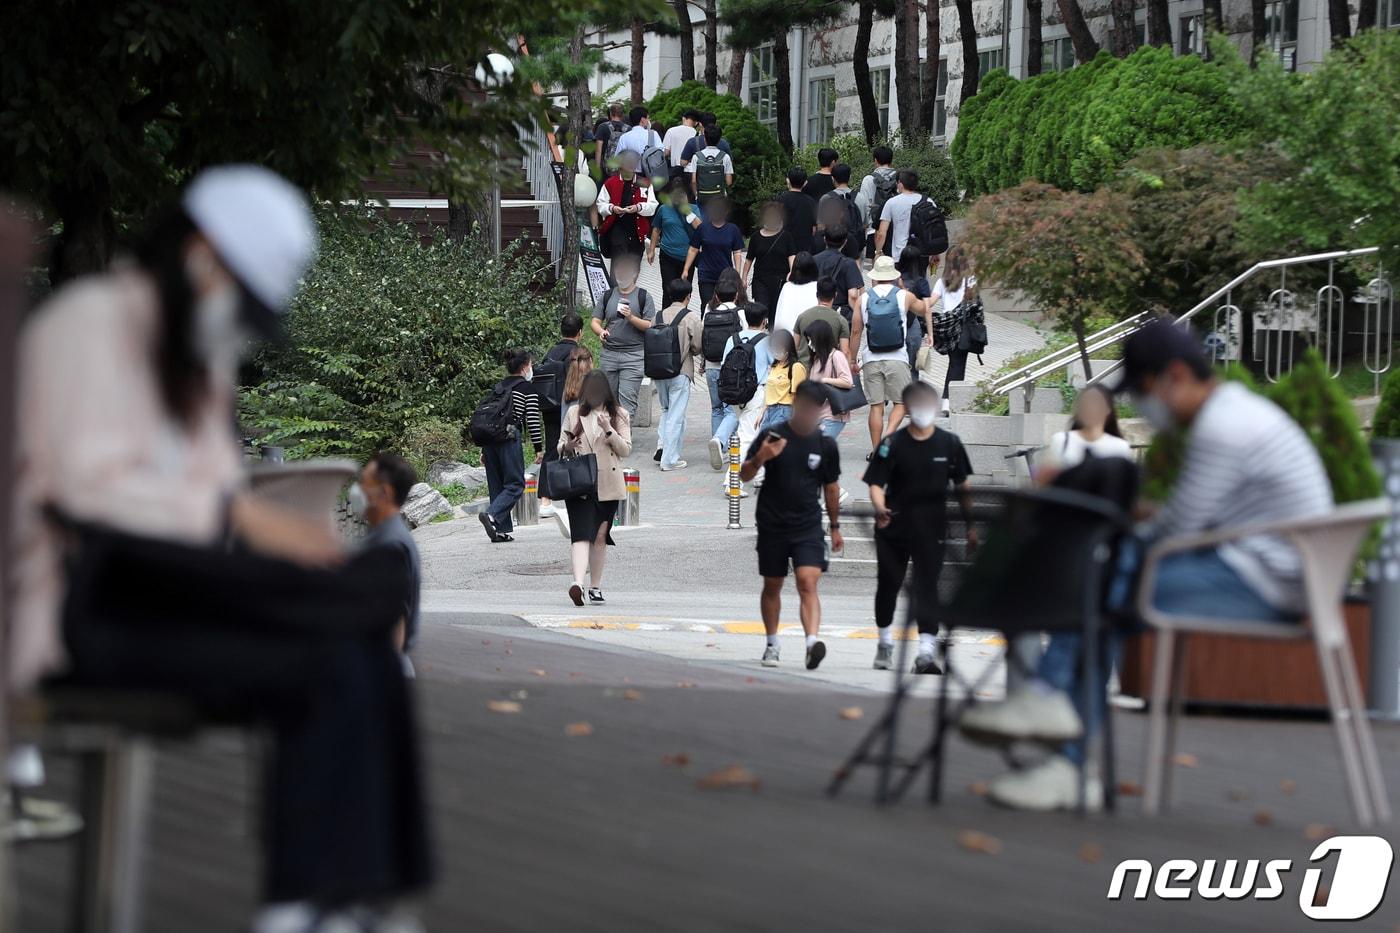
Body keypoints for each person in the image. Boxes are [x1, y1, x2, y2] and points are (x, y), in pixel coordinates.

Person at [11, 166, 431, 927]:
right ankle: (310, 900)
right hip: (88, 600)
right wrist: (241, 519)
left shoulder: (195, 356)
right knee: (334, 640)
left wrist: (272, 536)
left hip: (170, 589)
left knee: (362, 638)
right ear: (199, 255)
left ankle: (350, 893)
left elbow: (217, 499)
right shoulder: (88, 323)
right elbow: (79, 492)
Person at [962, 320, 1334, 811]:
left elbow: (1177, 531)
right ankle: (1060, 743)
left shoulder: (1224, 428)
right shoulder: (1234, 413)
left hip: (1265, 583)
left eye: (1144, 391)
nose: (1142, 406)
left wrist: (1119, 526)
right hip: (1264, 567)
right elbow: (1192, 521)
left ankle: (1054, 718)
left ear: (1175, 375)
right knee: (1106, 595)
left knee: (1102, 593)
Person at [863, 381, 977, 674]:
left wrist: (970, 525)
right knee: (889, 584)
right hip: (894, 526)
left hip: (933, 528)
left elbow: (963, 486)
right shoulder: (891, 444)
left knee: (928, 586)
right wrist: (880, 507)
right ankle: (885, 641)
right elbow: (875, 483)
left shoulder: (950, 443)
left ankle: (926, 651)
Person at [741, 380, 844, 669]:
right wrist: (761, 457)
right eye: (805, 408)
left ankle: (812, 643)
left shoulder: (825, 444)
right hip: (772, 523)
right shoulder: (772, 434)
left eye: (814, 410)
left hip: (807, 525)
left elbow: (831, 487)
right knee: (772, 585)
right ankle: (772, 643)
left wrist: (835, 527)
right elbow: (744, 475)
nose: (808, 415)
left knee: (807, 582)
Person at [559, 371, 634, 606]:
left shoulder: (619, 414)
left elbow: (626, 450)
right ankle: (577, 583)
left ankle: (595, 586)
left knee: (600, 537)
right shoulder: (574, 413)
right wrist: (568, 446)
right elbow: (559, 446)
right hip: (580, 483)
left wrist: (609, 429)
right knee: (581, 533)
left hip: (608, 483)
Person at [349, 452, 423, 676]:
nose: (357, 489)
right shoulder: (384, 535)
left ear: (385, 492)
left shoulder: (390, 546)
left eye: (364, 482)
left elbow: (394, 623)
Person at [478, 348, 546, 544]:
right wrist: (538, 448)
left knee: (497, 485)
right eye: (531, 364)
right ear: (525, 367)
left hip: (490, 440)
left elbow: (490, 417)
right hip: (509, 436)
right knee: (515, 484)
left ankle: (500, 530)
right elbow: (532, 420)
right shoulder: (527, 389)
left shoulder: (499, 387)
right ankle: (492, 515)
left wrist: (483, 449)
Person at [707, 303, 773, 495]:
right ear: (764, 321)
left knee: (755, 433)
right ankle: (732, 481)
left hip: (734, 393)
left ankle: (759, 475)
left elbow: (724, 363)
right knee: (746, 437)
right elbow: (776, 365)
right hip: (756, 393)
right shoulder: (767, 341)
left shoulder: (733, 338)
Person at [850, 255, 913, 454]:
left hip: (871, 358)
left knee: (876, 407)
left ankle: (877, 450)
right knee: (902, 403)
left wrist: (852, 360)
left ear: (874, 277)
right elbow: (923, 308)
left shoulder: (864, 298)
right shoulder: (903, 295)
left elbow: (856, 331)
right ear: (894, 276)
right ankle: (888, 437)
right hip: (898, 357)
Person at [591, 251, 656, 419]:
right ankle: (612, 434)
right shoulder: (607, 295)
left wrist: (631, 317)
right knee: (608, 403)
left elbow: (649, 325)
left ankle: (624, 435)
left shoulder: (643, 296)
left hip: (634, 356)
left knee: (627, 404)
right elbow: (595, 321)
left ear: (634, 273)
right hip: (609, 355)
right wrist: (601, 331)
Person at [535, 313, 585, 518]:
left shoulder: (551, 352)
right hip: (570, 407)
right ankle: (578, 496)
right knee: (577, 448)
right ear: (580, 332)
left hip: (549, 407)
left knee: (552, 451)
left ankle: (545, 499)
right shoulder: (577, 353)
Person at [654, 277, 705, 471]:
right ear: (688, 296)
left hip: (659, 371)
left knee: (666, 410)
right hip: (680, 371)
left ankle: (662, 448)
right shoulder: (691, 317)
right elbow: (697, 346)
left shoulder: (658, 316)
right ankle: (669, 460)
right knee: (676, 415)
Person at [1036, 385, 1132, 481]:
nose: (1090, 409)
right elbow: (1047, 480)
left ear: (1108, 409)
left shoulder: (1120, 446)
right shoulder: (1061, 440)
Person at [930, 245, 976, 416]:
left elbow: (931, 302)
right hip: (962, 327)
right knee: (958, 365)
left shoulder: (942, 282)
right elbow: (974, 303)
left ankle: (948, 401)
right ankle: (950, 402)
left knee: (953, 363)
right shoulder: (970, 280)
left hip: (947, 328)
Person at [701, 267, 746, 435]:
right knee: (732, 410)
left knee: (716, 408)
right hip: (733, 368)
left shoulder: (709, 308)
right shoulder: (742, 311)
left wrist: (703, 362)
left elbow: (704, 335)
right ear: (737, 293)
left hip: (711, 365)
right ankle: (727, 443)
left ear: (717, 295)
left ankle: (717, 442)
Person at [682, 195, 744, 310]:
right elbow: (693, 249)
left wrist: (737, 273)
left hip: (726, 276)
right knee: (707, 305)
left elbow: (737, 252)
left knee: (726, 307)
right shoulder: (702, 228)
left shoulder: (733, 229)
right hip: (706, 274)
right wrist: (686, 269)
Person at [595, 150, 658, 260]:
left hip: (637, 232)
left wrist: (638, 207)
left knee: (634, 265)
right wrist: (612, 208)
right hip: (617, 230)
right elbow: (600, 204)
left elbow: (652, 206)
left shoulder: (645, 183)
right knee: (618, 261)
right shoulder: (610, 183)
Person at [648, 179, 704, 291]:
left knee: (685, 291)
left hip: (688, 258)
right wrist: (651, 250)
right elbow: (656, 229)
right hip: (667, 255)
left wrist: (687, 211)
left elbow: (701, 229)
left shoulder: (694, 209)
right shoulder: (664, 209)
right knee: (668, 290)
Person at [804, 318, 854, 439]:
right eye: (808, 340)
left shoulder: (836, 356)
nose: (809, 343)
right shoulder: (817, 359)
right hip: (817, 415)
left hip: (832, 414)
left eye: (811, 340)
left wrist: (825, 380)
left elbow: (847, 381)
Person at [743, 201, 798, 312]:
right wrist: (744, 278)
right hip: (760, 280)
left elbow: (791, 256)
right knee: (761, 310)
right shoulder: (755, 237)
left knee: (776, 311)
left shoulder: (786, 236)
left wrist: (792, 272)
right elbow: (749, 259)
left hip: (780, 280)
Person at [795, 277, 852, 369]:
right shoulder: (841, 321)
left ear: (817, 294)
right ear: (835, 295)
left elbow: (794, 347)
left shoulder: (802, 317)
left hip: (803, 370)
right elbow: (845, 352)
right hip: (827, 372)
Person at [813, 224, 865, 322]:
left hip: (817, 310)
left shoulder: (814, 260)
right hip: (840, 313)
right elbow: (853, 295)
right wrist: (859, 315)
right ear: (845, 242)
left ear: (824, 239)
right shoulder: (849, 264)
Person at [758, 329, 807, 432]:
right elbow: (769, 392)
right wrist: (762, 412)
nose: (776, 349)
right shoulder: (775, 366)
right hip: (769, 411)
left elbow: (798, 396)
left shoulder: (796, 367)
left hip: (784, 411)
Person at [857, 146, 899, 260]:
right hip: (895, 229)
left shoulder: (869, 179)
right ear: (891, 160)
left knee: (876, 265)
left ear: (875, 160)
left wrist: (865, 227)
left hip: (873, 229)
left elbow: (865, 205)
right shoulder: (899, 179)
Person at [897, 246, 935, 371]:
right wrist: (930, 334)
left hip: (893, 325)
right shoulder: (921, 282)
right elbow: (927, 309)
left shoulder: (894, 279)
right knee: (912, 368)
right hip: (912, 324)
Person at [875, 169, 925, 261]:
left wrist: (878, 252)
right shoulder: (927, 201)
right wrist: (935, 253)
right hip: (922, 254)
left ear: (900, 184)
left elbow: (881, 233)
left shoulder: (891, 203)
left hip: (899, 255)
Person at [685, 124, 734, 209]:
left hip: (702, 196)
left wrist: (696, 195)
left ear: (705, 139)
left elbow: (693, 181)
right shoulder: (725, 157)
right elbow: (729, 182)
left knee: (703, 216)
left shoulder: (696, 156)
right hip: (719, 197)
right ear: (719, 139)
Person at [773, 251, 820, 337]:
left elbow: (780, 314)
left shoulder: (787, 287)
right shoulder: (817, 286)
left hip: (787, 337)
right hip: (810, 336)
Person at [778, 167, 818, 256]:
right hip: (804, 249)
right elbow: (814, 229)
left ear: (788, 180)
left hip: (783, 246)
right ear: (805, 183)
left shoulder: (780, 200)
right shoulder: (811, 202)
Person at [663, 109, 702, 179]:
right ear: (696, 123)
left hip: (675, 171)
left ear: (683, 118)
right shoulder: (697, 135)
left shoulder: (671, 131)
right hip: (691, 171)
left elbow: (666, 152)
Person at [593, 102, 629, 178]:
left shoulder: (603, 127)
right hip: (623, 168)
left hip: (606, 169)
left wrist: (597, 167)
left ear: (610, 113)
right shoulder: (628, 129)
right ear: (622, 114)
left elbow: (598, 150)